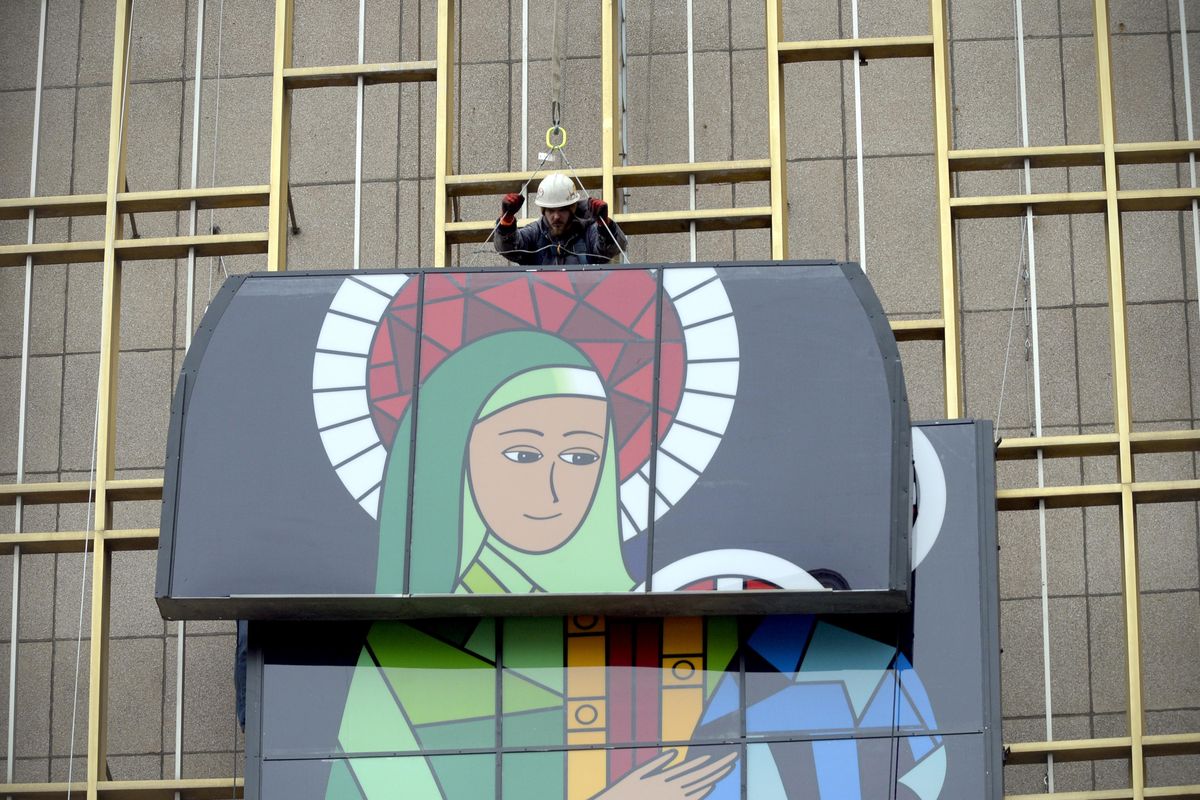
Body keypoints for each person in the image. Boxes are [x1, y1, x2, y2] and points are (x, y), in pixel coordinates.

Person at [494, 172, 627, 265]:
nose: (556, 216)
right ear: (543, 211)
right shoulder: (535, 233)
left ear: (573, 208)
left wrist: (604, 225)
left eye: (562, 210)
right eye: (551, 210)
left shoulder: (588, 231)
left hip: (585, 302)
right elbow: (510, 249)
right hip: (542, 302)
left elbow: (613, 248)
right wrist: (506, 222)